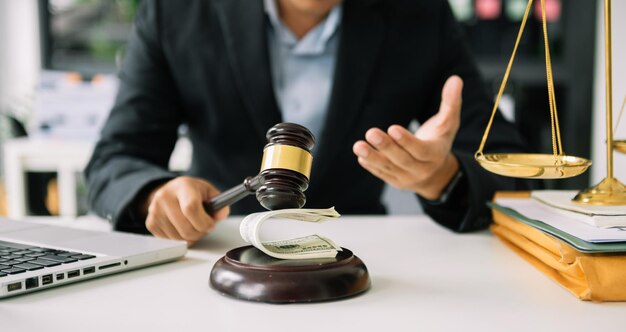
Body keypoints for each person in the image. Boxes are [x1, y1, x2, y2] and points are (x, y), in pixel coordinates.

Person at [85, 0, 533, 245]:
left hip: (365, 262)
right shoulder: (176, 12)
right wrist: (155, 194)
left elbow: (511, 167)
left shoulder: (419, 15)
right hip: (220, 251)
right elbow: (115, 159)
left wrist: (441, 176)